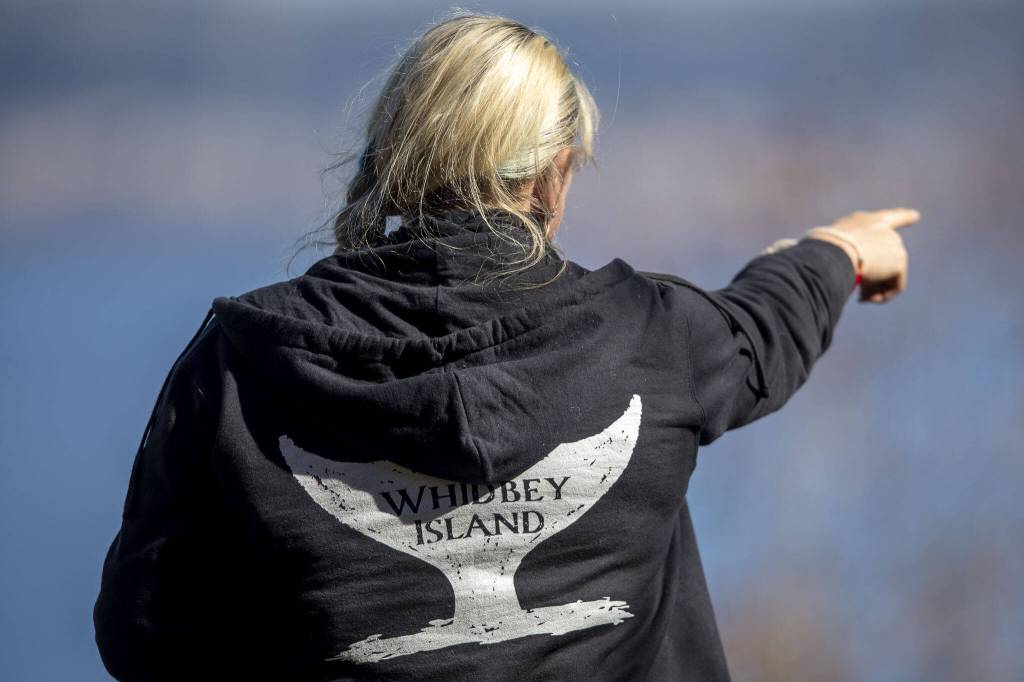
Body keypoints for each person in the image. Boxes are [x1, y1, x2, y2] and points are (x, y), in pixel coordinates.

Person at [93, 12, 920, 682]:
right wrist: (840, 251)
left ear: (392, 154)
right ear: (554, 174)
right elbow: (762, 328)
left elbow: (146, 634)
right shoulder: (650, 340)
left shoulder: (241, 366)